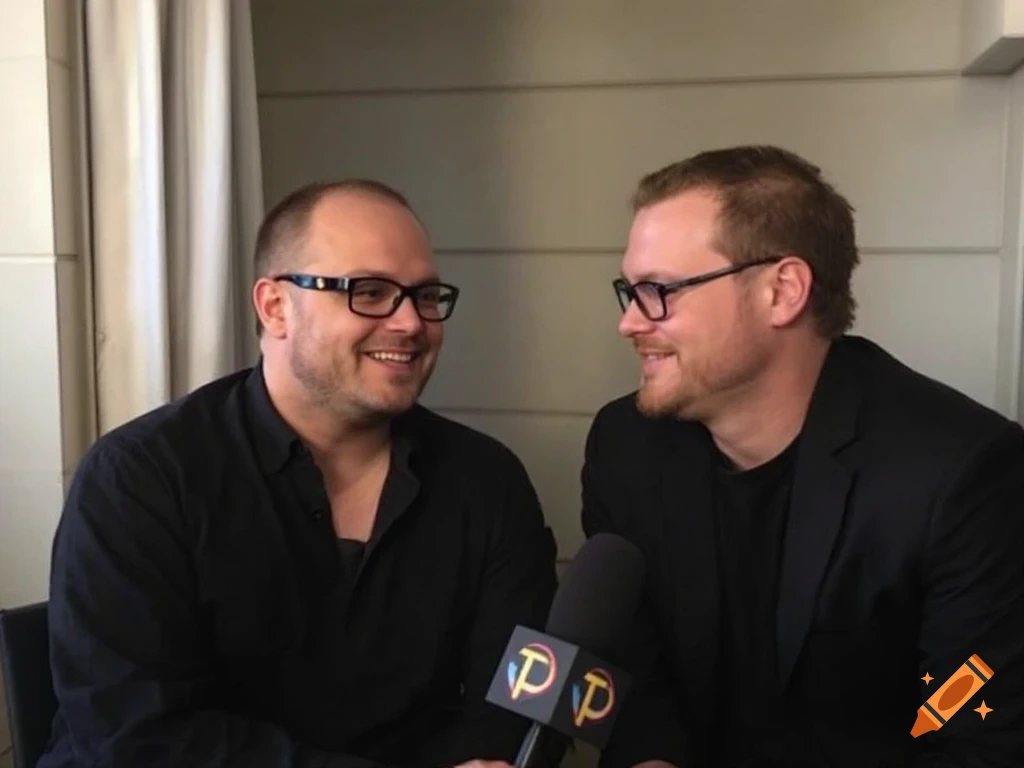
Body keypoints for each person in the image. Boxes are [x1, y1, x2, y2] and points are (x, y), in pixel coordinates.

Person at [39, 180, 561, 768]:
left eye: (426, 295)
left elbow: (517, 709)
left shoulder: (486, 482)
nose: (412, 322)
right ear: (275, 307)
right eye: (369, 291)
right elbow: (138, 741)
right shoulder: (138, 480)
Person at [581, 146, 1024, 767]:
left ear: (781, 291)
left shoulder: (963, 475)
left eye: (658, 290)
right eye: (629, 290)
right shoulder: (625, 445)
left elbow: (969, 731)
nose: (630, 322)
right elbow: (631, 671)